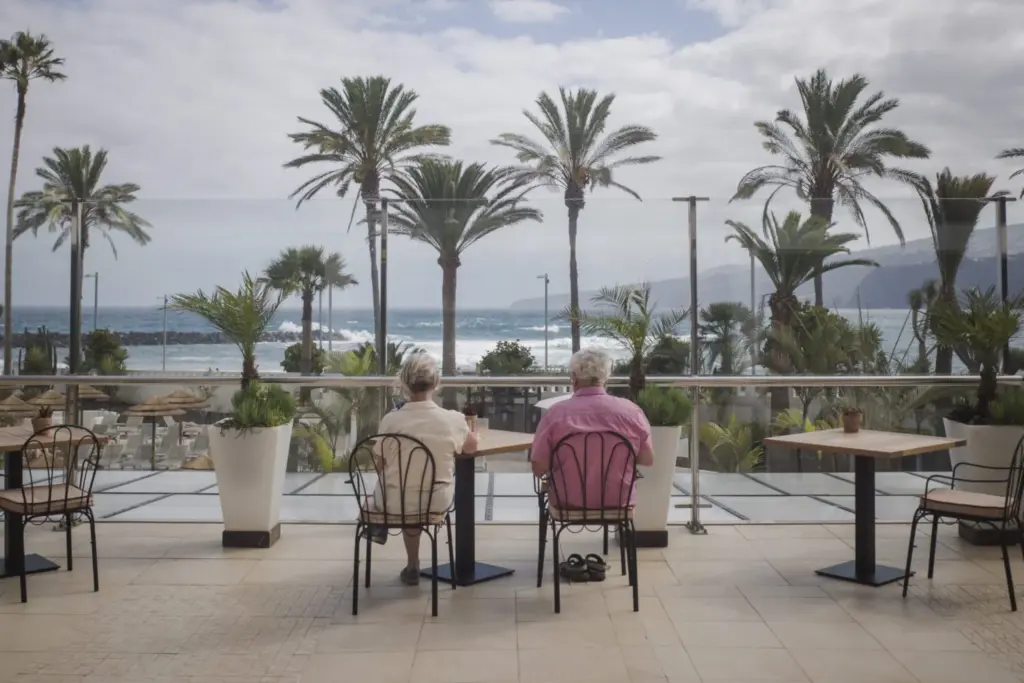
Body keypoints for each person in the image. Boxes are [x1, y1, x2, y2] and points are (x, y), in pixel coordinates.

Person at [365, 352, 477, 586]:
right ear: (436, 383)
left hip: (395, 502)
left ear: (405, 385)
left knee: (389, 493)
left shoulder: (391, 420)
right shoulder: (452, 420)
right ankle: (414, 563)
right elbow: (470, 447)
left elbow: (379, 464)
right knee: (417, 493)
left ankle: (411, 562)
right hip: (437, 500)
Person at [530, 348, 654, 510]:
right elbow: (647, 460)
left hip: (566, 502)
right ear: (606, 378)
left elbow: (539, 467)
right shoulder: (631, 412)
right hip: (618, 503)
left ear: (574, 379)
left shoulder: (556, 414)